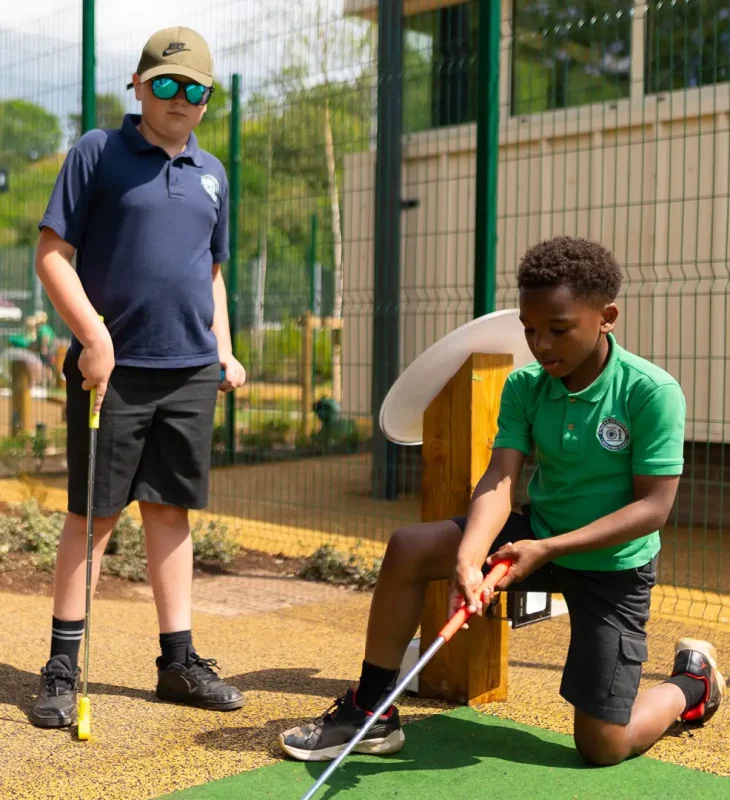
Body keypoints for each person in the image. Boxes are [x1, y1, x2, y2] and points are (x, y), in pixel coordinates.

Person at [278, 235, 725, 765]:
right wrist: (469, 560)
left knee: (603, 745)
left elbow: (652, 510)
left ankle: (693, 683)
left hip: (612, 566)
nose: (541, 344)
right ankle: (371, 710)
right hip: (538, 534)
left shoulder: (650, 391)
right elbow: (499, 479)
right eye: (530, 329)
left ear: (607, 317)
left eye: (558, 329)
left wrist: (548, 549)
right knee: (409, 547)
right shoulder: (525, 385)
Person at [30, 26, 247, 728]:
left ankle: (177, 663)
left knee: (170, 511)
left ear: (207, 100)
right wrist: (93, 338)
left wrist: (224, 348)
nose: (180, 98)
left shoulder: (212, 173)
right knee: (92, 518)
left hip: (189, 371)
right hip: (112, 374)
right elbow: (52, 255)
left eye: (194, 89)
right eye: (166, 84)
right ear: (139, 85)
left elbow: (211, 272)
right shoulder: (98, 153)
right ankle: (63, 666)